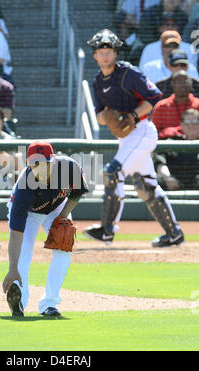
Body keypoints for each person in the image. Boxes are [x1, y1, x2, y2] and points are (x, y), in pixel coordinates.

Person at [83, 28, 184, 248]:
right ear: (95, 55)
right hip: (126, 138)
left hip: (142, 131)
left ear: (115, 53)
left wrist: (130, 115)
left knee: (112, 172)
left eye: (109, 50)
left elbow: (154, 96)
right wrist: (107, 117)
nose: (105, 54)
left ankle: (107, 230)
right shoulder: (98, 81)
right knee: (146, 185)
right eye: (101, 50)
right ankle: (174, 233)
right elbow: (100, 116)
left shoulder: (129, 73)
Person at [2, 141, 89, 317]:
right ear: (28, 164)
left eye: (45, 164)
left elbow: (77, 193)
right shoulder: (24, 188)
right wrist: (12, 268)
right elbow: (16, 235)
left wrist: (63, 217)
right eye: (35, 164)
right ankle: (19, 301)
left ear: (54, 161)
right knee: (24, 254)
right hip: (29, 213)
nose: (40, 169)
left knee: (63, 251)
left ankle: (49, 303)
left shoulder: (69, 168)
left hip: (57, 208)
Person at [154, 109, 199, 190]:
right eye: (187, 122)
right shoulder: (172, 142)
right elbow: (159, 161)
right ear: (181, 124)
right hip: (171, 184)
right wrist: (168, 178)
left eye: (195, 122)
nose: (191, 126)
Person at [151, 70, 199, 139]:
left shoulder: (197, 104)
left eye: (186, 80)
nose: (183, 84)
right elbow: (154, 132)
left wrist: (174, 130)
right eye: (179, 81)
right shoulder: (161, 106)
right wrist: (167, 133)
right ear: (172, 84)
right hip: (168, 147)